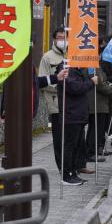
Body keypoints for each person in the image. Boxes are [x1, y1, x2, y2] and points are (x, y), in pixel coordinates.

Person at [57, 66, 98, 185]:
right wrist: (91, 82)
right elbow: (75, 88)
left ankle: (73, 172)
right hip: (71, 115)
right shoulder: (67, 68)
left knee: (76, 146)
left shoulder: (78, 70)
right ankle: (66, 175)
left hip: (79, 114)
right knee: (69, 146)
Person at [87, 36, 112, 159]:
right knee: (95, 130)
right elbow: (100, 85)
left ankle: (98, 148)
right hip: (96, 103)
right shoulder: (92, 67)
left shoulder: (98, 67)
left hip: (102, 104)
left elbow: (104, 81)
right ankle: (92, 152)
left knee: (101, 129)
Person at [39, 27, 66, 171]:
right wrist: (58, 86)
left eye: (64, 37)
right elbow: (42, 81)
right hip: (55, 102)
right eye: (59, 38)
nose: (62, 40)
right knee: (59, 136)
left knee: (73, 136)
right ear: (54, 40)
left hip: (72, 102)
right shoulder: (47, 57)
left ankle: (75, 164)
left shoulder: (71, 54)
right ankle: (61, 165)